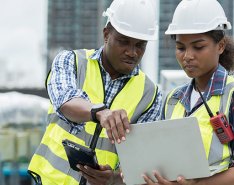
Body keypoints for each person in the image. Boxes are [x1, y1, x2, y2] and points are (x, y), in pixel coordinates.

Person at [28, 0, 162, 184]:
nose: (132, 52)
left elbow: (141, 159)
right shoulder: (71, 61)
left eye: (140, 45)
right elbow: (65, 100)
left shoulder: (151, 95)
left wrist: (114, 179)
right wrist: (100, 112)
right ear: (106, 34)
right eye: (124, 42)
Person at [142, 0, 234, 184]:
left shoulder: (231, 93)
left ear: (221, 45)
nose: (188, 56)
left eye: (198, 47)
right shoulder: (173, 99)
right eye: (180, 48)